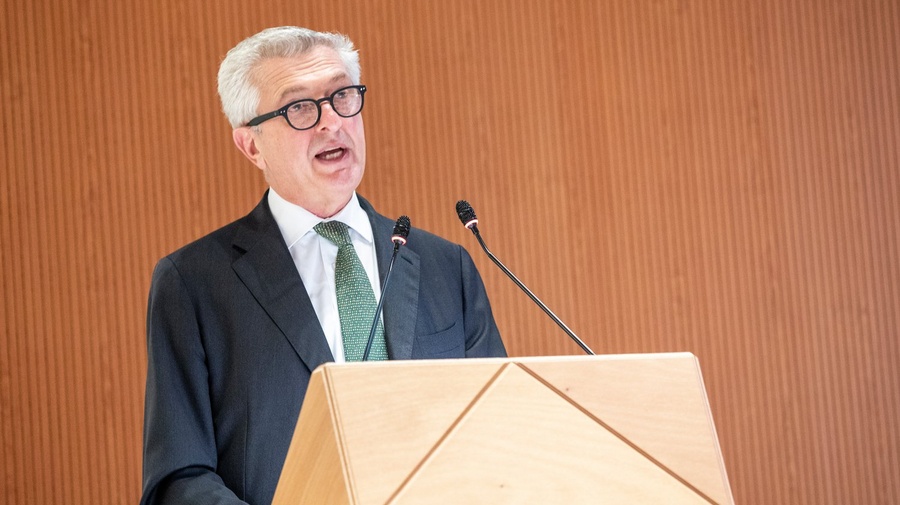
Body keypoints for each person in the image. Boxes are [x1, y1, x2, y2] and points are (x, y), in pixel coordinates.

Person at [140, 26, 506, 504]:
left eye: (342, 96)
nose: (331, 121)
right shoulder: (194, 283)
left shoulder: (446, 266)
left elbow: (500, 433)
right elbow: (178, 478)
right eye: (299, 108)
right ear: (251, 145)